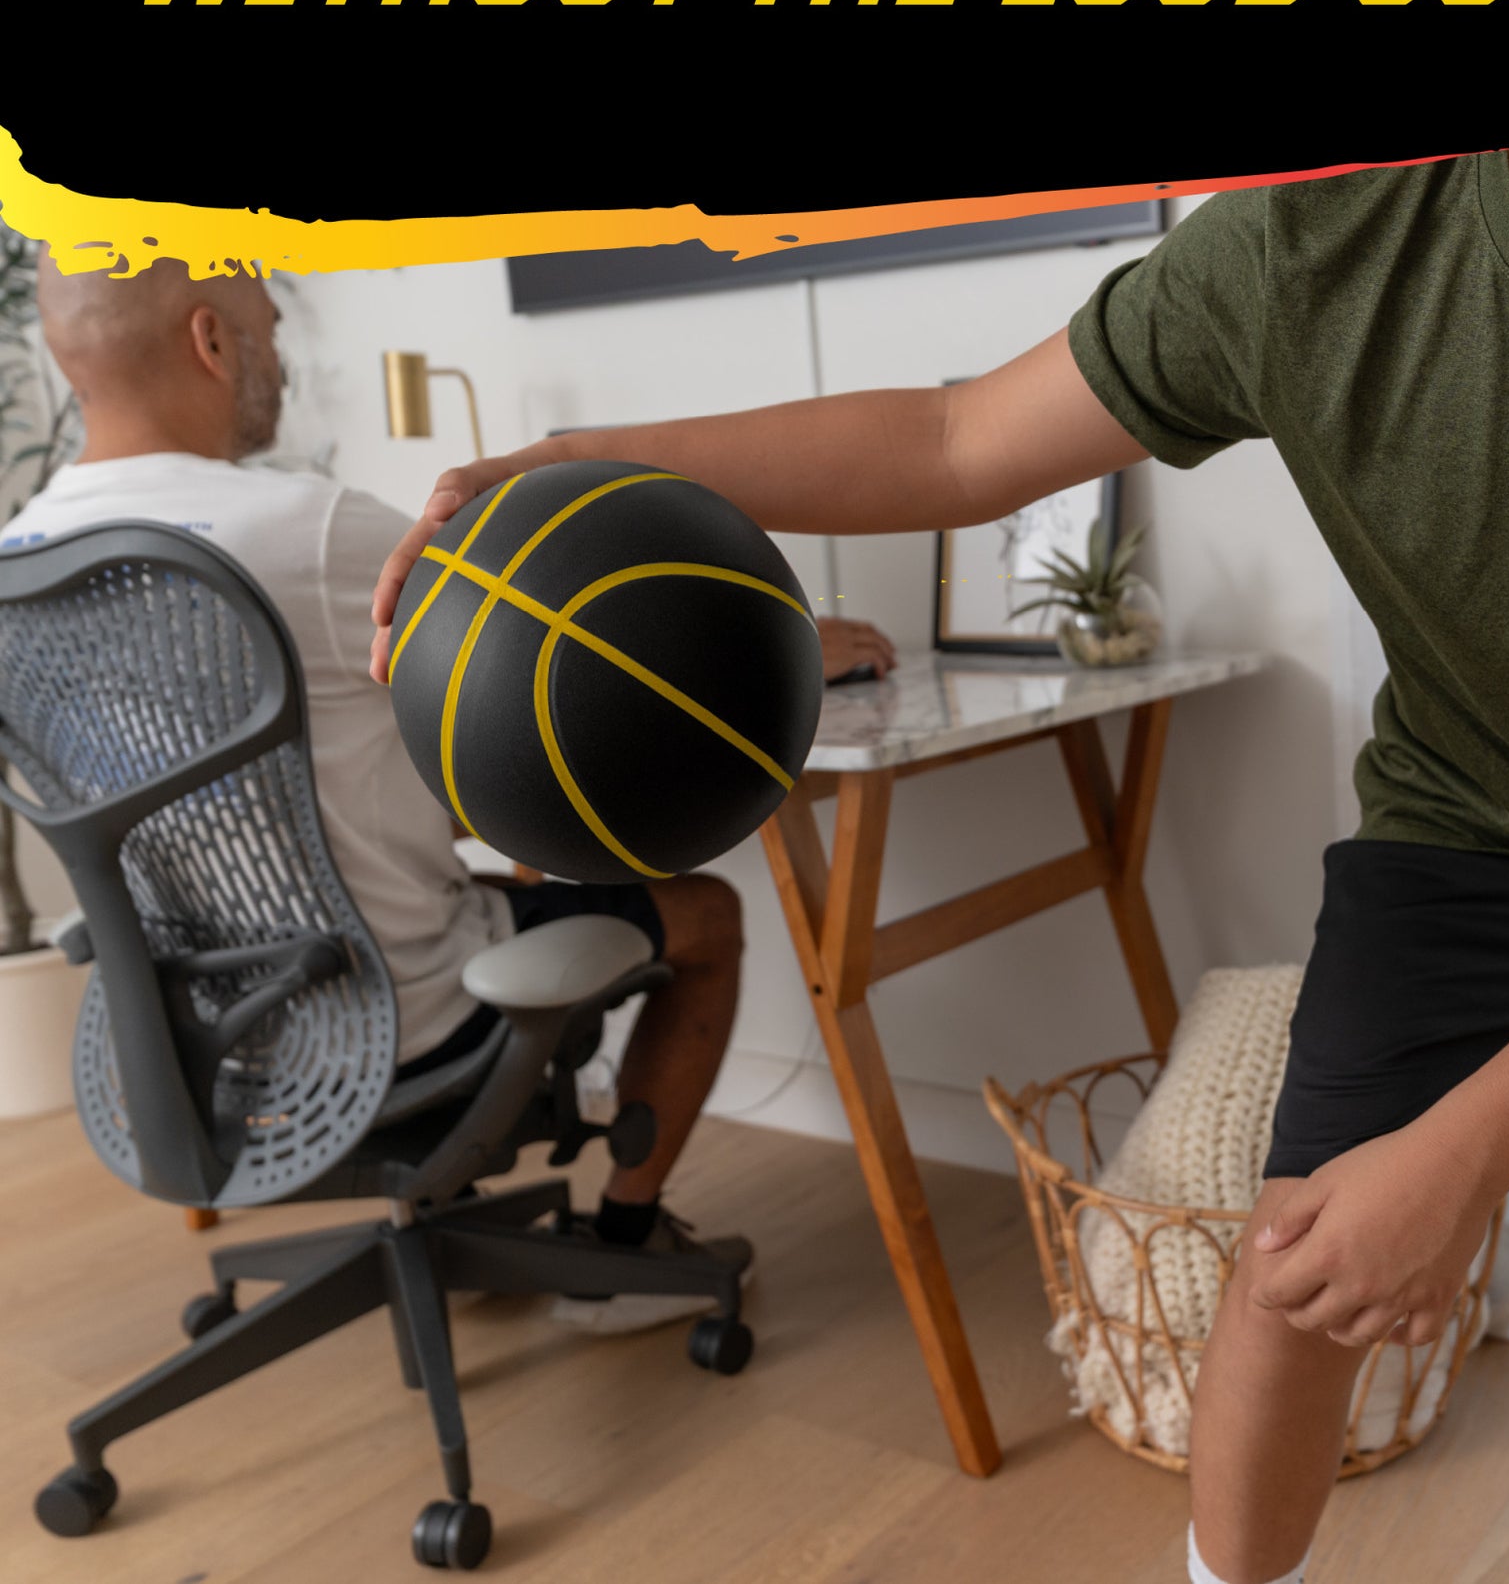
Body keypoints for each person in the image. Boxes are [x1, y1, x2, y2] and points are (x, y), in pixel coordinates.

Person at [373, 111, 1509, 1581]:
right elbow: (952, 440)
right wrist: (587, 453)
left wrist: (1461, 1157)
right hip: (1484, 817)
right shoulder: (1313, 232)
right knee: (1292, 1270)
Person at [9, 247, 895, 1338]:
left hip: (194, 1035)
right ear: (210, 338)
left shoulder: (18, 560)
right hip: (401, 1018)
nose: (278, 348)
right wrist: (793, 646)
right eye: (266, 322)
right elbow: (566, 668)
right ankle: (619, 1249)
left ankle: (467, 1211)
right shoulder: (310, 530)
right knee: (703, 912)